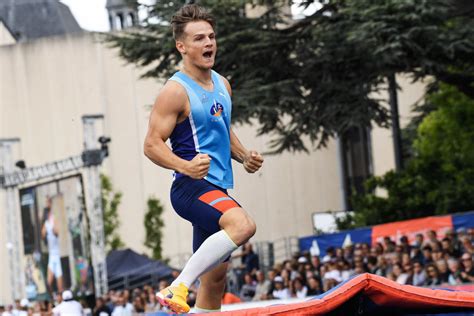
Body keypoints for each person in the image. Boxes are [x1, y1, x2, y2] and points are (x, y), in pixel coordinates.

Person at [144, 4, 264, 314]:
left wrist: (243, 155)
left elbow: (221, 130)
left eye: (211, 36)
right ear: (181, 46)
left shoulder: (223, 85)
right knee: (243, 224)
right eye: (198, 38)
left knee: (215, 281)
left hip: (217, 189)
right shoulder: (174, 91)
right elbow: (152, 145)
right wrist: (184, 166)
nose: (208, 43)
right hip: (190, 188)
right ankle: (177, 286)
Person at [41, 197, 63, 294]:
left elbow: (57, 232)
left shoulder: (54, 220)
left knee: (59, 280)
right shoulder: (46, 223)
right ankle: (51, 297)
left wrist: (52, 226)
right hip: (51, 254)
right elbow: (42, 234)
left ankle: (60, 295)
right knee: (48, 281)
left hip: (56, 254)